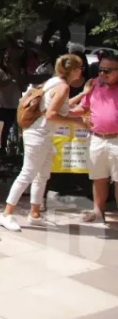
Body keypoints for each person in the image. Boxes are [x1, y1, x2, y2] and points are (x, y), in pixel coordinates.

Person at [0, 54, 87, 232]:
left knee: (42, 175)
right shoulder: (62, 87)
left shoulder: (54, 82)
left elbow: (61, 107)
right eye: (80, 68)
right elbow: (51, 114)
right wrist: (78, 122)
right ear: (74, 70)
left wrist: (84, 95)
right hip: (39, 134)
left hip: (42, 134)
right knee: (28, 174)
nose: (81, 72)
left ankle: (35, 214)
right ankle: (6, 214)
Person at [68, 52, 118, 223]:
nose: (103, 73)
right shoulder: (93, 84)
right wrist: (65, 113)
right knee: (98, 178)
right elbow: (83, 108)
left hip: (117, 140)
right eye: (101, 69)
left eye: (108, 71)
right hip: (96, 138)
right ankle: (98, 211)